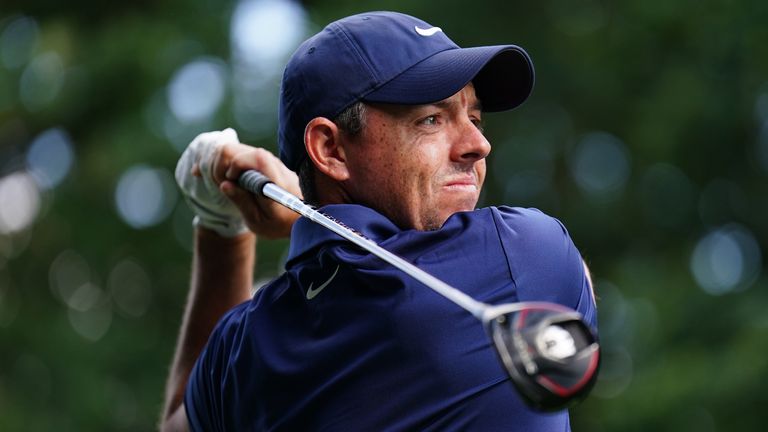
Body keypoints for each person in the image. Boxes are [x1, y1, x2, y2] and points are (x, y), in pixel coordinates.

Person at [161, 10, 597, 432]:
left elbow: (179, 420)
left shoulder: (245, 346)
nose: (478, 144)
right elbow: (576, 282)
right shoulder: (521, 252)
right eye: (431, 119)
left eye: (474, 119)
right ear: (330, 150)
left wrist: (221, 228)